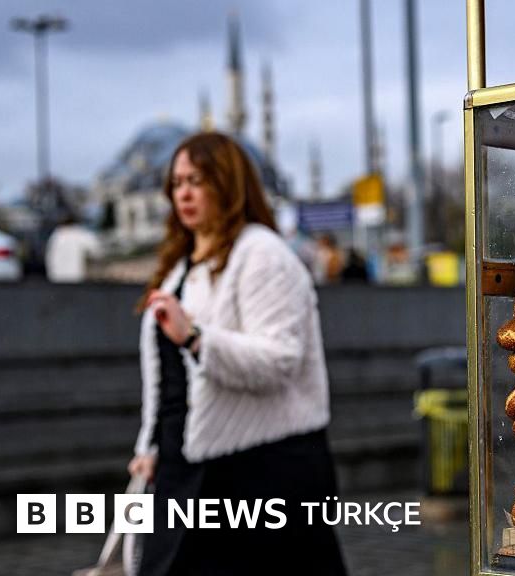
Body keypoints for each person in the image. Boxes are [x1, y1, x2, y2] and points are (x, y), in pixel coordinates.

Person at [127, 132, 346, 575]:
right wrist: (150, 446)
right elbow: (169, 381)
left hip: (261, 470)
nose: (183, 193)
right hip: (185, 468)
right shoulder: (180, 265)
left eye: (197, 180)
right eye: (176, 182)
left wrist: (197, 338)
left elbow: (279, 359)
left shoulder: (262, 254)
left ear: (227, 184)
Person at [44, 214, 102, 282]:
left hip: (55, 276)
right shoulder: (80, 233)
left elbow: (48, 256)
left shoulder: (55, 235)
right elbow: (97, 251)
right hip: (75, 276)